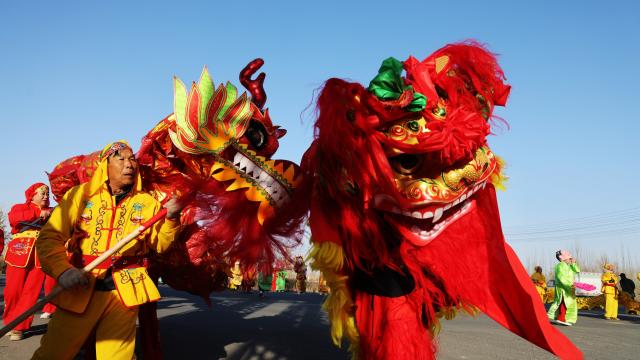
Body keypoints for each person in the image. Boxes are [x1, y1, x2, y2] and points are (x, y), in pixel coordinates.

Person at [32, 141, 183, 360]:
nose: (129, 164)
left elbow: (160, 244)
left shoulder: (147, 202)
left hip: (124, 292)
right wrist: (63, 271)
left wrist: (171, 218)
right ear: (105, 166)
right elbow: (49, 238)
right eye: (120, 158)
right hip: (80, 286)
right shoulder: (80, 196)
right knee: (53, 354)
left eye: (132, 158)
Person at [3, 183, 54, 341]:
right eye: (42, 193)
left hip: (40, 254)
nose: (46, 197)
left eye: (47, 194)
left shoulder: (53, 211)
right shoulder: (19, 208)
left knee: (31, 293)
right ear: (32, 195)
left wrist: (49, 213)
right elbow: (14, 219)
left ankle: (20, 327)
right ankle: (10, 323)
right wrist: (39, 213)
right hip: (20, 251)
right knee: (12, 290)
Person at [547, 250, 580, 326]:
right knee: (563, 301)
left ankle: (563, 318)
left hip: (569, 287)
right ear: (563, 259)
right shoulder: (560, 265)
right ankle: (561, 318)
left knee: (569, 303)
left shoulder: (569, 266)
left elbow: (577, 270)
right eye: (569, 258)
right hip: (563, 287)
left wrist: (573, 263)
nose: (571, 260)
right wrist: (568, 285)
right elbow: (561, 277)